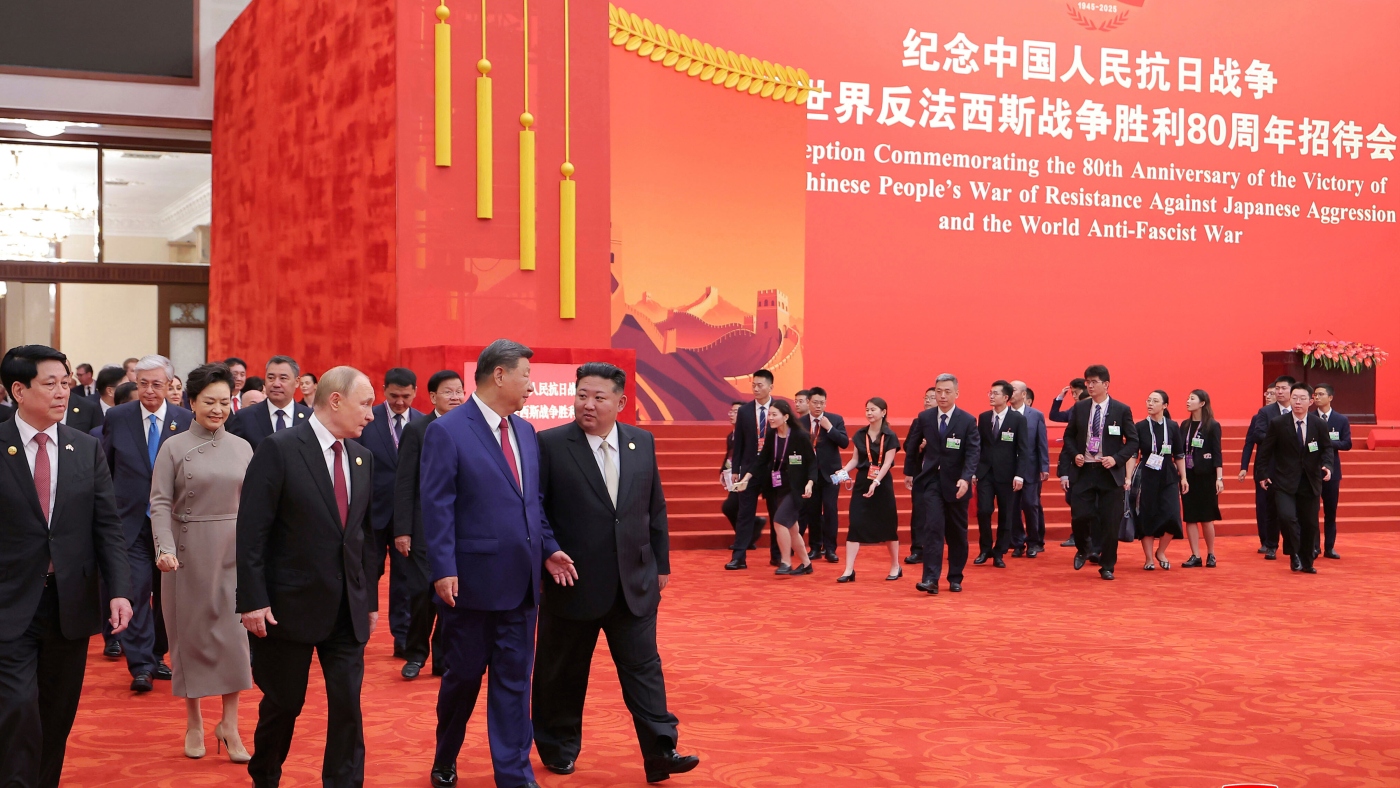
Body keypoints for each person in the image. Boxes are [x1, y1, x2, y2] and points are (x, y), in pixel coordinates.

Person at [419, 339, 577, 788]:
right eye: (526, 375)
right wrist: (443, 568)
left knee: (514, 683)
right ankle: (446, 755)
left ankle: (514, 774)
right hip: (470, 584)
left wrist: (548, 548)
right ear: (500, 375)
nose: (532, 385)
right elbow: (437, 506)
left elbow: (532, 503)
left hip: (523, 583)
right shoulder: (448, 430)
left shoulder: (525, 432)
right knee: (463, 679)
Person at [532, 362, 699, 783]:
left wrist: (660, 562)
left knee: (644, 669)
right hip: (572, 580)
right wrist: (549, 552)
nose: (587, 404)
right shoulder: (550, 444)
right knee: (563, 672)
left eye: (598, 397)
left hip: (634, 581)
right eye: (581, 395)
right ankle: (558, 746)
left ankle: (661, 750)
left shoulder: (641, 442)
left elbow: (653, 506)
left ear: (620, 402)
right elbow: (535, 509)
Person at [236, 365, 379, 787]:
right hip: (288, 607)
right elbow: (252, 532)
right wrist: (252, 599)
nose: (371, 414)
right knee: (284, 704)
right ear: (335, 400)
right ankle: (265, 774)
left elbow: (365, 537)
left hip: (347, 608)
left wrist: (369, 599)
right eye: (365, 404)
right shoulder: (279, 449)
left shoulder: (362, 457)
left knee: (347, 706)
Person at [0, 345, 133, 788]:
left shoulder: (85, 448)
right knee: (17, 711)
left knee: (56, 716)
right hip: (9, 602)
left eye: (66, 383)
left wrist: (119, 590)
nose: (63, 393)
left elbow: (107, 525)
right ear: (19, 390)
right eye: (50, 384)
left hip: (68, 603)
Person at [149, 363, 253, 761]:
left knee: (234, 641)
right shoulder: (173, 447)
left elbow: (255, 507)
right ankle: (193, 721)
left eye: (225, 402)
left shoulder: (243, 448)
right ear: (191, 402)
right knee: (189, 639)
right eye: (209, 401)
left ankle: (230, 724)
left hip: (233, 553)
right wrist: (164, 548)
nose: (218, 409)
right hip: (186, 554)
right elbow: (160, 503)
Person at [102, 355, 193, 691]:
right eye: (143, 384)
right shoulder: (118, 417)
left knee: (167, 594)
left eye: (157, 384)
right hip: (130, 522)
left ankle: (156, 654)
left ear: (170, 385)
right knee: (137, 590)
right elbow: (106, 468)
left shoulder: (185, 419)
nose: (150, 390)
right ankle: (140, 664)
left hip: (171, 523)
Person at [393, 370, 466, 680]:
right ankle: (416, 653)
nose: (455, 397)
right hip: (423, 527)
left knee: (453, 595)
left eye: (459, 391)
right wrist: (402, 530)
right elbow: (404, 482)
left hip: (460, 527)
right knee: (423, 594)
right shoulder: (417, 429)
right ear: (433, 397)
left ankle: (442, 657)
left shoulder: (469, 428)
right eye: (448, 392)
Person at [358, 367, 424, 657]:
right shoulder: (368, 419)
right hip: (372, 512)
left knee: (405, 579)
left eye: (406, 396)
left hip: (407, 516)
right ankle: (358, 633)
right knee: (366, 574)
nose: (400, 402)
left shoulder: (423, 423)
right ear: (383, 390)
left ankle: (403, 636)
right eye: (394, 395)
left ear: (415, 392)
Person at [1060, 365, 1138, 581]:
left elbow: (1133, 441)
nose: (1090, 386)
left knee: (1110, 522)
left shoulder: (1121, 409)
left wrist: (1117, 458)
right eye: (1088, 382)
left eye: (1094, 382)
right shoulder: (1080, 408)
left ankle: (1107, 566)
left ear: (1106, 384)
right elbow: (1068, 436)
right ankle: (1083, 548)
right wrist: (1075, 454)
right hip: (1084, 470)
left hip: (1109, 472)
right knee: (1080, 515)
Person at [904, 374, 980, 595]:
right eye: (939, 391)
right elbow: (912, 445)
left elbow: (973, 452)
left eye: (947, 391)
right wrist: (910, 472)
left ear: (957, 393)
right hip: (932, 481)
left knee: (957, 533)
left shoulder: (967, 420)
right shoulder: (925, 417)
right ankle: (930, 579)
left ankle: (955, 576)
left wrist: (966, 478)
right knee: (933, 529)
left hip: (957, 484)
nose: (942, 396)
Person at [1257, 382, 1334, 574]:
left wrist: (1327, 465)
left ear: (1311, 401)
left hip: (1310, 481)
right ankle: (1294, 554)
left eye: (1302, 398)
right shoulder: (1278, 423)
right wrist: (1262, 474)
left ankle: (1307, 561)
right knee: (1286, 517)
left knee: (1310, 523)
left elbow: (1327, 448)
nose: (1298, 402)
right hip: (1284, 481)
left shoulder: (1319, 424)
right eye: (1294, 398)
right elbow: (1265, 451)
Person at [736, 399, 817, 575]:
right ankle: (806, 564)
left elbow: (812, 463)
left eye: (774, 414)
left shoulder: (800, 436)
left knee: (779, 521)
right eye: (770, 414)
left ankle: (786, 561)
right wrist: (746, 478)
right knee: (792, 529)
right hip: (778, 487)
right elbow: (761, 460)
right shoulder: (772, 435)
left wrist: (810, 483)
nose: (770, 418)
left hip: (797, 488)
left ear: (785, 417)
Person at [835, 397, 901, 582]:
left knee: (888, 526)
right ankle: (849, 570)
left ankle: (895, 565)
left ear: (883, 412)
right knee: (855, 523)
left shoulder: (890, 436)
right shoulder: (860, 434)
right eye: (867, 410)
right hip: (863, 482)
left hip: (882, 484)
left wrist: (876, 482)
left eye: (873, 409)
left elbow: (887, 463)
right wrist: (843, 471)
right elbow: (855, 459)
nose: (869, 413)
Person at [724, 370, 781, 571]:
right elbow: (738, 442)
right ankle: (739, 556)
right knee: (744, 513)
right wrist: (736, 470)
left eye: (760, 385)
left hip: (774, 468)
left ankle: (777, 555)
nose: (756, 389)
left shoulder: (780, 409)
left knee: (776, 513)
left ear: (770, 387)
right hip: (749, 470)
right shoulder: (745, 411)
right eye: (753, 385)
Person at [973, 381, 1033, 569]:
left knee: (1006, 514)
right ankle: (985, 549)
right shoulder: (984, 417)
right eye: (990, 393)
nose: (991, 396)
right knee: (984, 510)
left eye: (995, 393)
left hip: (1007, 474)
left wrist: (1019, 475)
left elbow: (1023, 449)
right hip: (985, 473)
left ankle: (999, 552)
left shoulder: (1017, 419)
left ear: (1006, 397)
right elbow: (978, 446)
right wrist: (974, 470)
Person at [1128, 391, 1185, 571]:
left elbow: (1179, 454)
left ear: (1165, 406)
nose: (1150, 404)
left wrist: (1184, 477)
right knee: (1147, 514)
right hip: (1146, 475)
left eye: (1155, 401)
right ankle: (1149, 558)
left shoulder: (1173, 426)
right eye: (1148, 400)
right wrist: (1128, 477)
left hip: (1168, 474)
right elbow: (1133, 454)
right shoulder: (1140, 426)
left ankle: (1161, 551)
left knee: (1172, 514)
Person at [1240, 376, 1294, 560]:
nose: (1278, 392)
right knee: (1268, 508)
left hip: (1292, 468)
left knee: (1290, 510)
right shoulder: (1265, 412)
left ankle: (1293, 544)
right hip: (1269, 467)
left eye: (1282, 388)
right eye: (1276, 389)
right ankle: (1269, 543)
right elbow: (1256, 436)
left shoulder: (1298, 411)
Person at [227, 356, 312, 450]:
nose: (276, 384)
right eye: (271, 378)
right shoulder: (245, 417)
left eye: (283, 378)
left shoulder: (310, 417)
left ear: (296, 382)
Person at [803, 387, 848, 563]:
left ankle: (830, 549)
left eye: (822, 403)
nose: (818, 406)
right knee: (812, 511)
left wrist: (829, 428)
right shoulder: (800, 422)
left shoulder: (835, 420)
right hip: (810, 475)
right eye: (815, 402)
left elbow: (844, 442)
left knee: (830, 509)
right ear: (808, 402)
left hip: (831, 474)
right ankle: (815, 547)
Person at [1180, 389, 1223, 568]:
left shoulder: (1212, 425)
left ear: (1202, 403)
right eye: (1188, 398)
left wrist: (1219, 478)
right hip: (1188, 476)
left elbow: (1217, 453)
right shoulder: (1184, 425)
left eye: (1192, 398)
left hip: (1206, 476)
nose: (1188, 401)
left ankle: (1211, 553)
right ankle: (1195, 555)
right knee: (1190, 517)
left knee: (1206, 517)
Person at [1009, 381, 1049, 557]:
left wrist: (1044, 465)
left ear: (1024, 394)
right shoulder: (1005, 414)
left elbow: (1041, 441)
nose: (1010, 393)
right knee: (1012, 507)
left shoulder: (1036, 415)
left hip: (1031, 467)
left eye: (1013, 390)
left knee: (1030, 504)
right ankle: (1018, 542)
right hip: (1010, 468)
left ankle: (1034, 541)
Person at [1312, 383, 1349, 560]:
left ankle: (1329, 547)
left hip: (1332, 471)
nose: (1317, 397)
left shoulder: (1341, 420)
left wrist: (1327, 443)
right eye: (1315, 394)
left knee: (1330, 511)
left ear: (1330, 397)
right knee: (1311, 511)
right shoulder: (1309, 418)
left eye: (1321, 394)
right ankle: (1314, 547)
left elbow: (1347, 443)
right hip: (1312, 470)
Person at [903, 387, 938, 565]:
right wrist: (920, 446)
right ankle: (917, 549)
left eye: (931, 397)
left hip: (941, 474)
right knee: (918, 512)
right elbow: (907, 446)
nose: (927, 401)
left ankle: (938, 549)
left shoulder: (949, 422)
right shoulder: (919, 421)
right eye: (926, 398)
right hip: (921, 474)